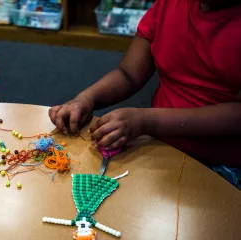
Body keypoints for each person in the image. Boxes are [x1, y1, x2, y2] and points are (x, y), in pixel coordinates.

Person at [49, 0, 241, 188]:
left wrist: (147, 121)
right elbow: (129, 74)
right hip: (159, 145)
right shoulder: (168, 6)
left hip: (221, 163)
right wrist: (85, 99)